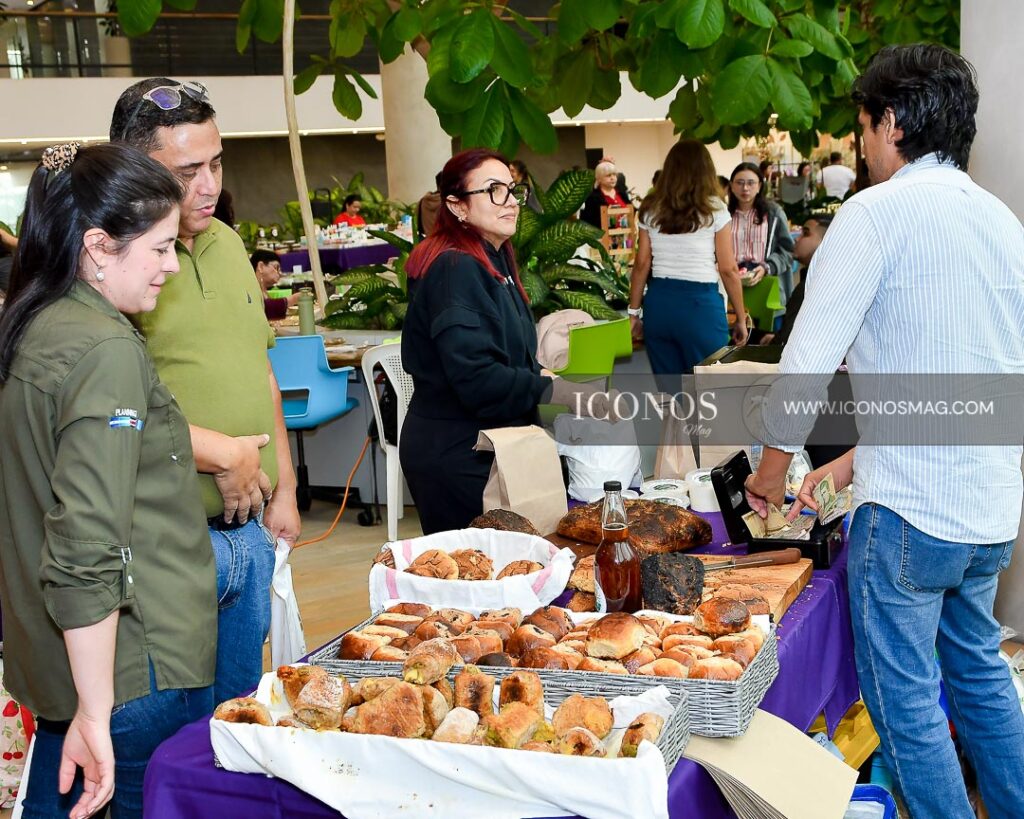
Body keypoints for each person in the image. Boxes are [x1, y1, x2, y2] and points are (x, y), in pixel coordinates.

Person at [745, 44, 1024, 818]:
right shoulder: (1003, 222)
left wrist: (768, 474)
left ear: (890, 123)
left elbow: (805, 364)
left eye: (864, 127)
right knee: (980, 675)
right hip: (988, 510)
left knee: (905, 709)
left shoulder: (872, 214)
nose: (863, 145)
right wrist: (847, 463)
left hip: (908, 516)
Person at [0, 142, 217, 819]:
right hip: (132, 665)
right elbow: (87, 542)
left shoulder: (34, 322)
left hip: (67, 661)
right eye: (159, 247)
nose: (171, 265)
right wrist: (96, 710)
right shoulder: (105, 350)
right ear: (97, 247)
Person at [110, 78, 301, 703]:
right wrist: (220, 453)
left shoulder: (228, 243)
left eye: (216, 163)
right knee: (160, 721)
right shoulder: (117, 265)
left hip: (250, 529)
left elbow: (259, 372)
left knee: (235, 716)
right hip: (165, 543)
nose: (210, 185)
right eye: (187, 171)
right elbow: (110, 410)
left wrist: (286, 489)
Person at [400, 149, 552, 535]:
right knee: (476, 570)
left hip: (490, 443)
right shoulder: (456, 267)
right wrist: (552, 388)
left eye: (513, 189)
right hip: (458, 453)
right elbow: (477, 380)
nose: (511, 201)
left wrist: (546, 377)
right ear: (457, 206)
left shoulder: (493, 259)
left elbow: (509, 356)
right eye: (494, 190)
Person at [628, 140, 749, 375]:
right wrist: (741, 318)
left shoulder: (651, 207)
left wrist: (633, 313)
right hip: (700, 306)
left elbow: (642, 264)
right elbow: (728, 269)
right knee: (710, 386)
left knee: (670, 391)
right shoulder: (714, 208)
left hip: (659, 304)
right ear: (706, 171)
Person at [759, 214, 832, 346]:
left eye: (805, 233)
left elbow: (787, 342)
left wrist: (775, 341)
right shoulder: (823, 279)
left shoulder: (811, 287)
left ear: (826, 240)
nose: (797, 238)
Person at [727, 163, 794, 290]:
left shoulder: (774, 213)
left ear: (759, 186)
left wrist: (767, 267)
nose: (745, 188)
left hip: (765, 279)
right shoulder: (724, 216)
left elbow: (788, 250)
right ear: (731, 186)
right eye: (739, 183)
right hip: (732, 281)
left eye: (751, 183)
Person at [250, 248, 300, 320]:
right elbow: (265, 309)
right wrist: (292, 299)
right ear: (261, 266)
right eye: (276, 268)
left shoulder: (263, 290)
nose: (280, 273)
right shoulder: (251, 289)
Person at [580, 160, 628, 228]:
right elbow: (587, 222)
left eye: (614, 175)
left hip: (626, 233)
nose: (612, 178)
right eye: (608, 175)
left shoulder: (622, 194)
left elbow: (632, 211)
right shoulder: (591, 198)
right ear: (599, 178)